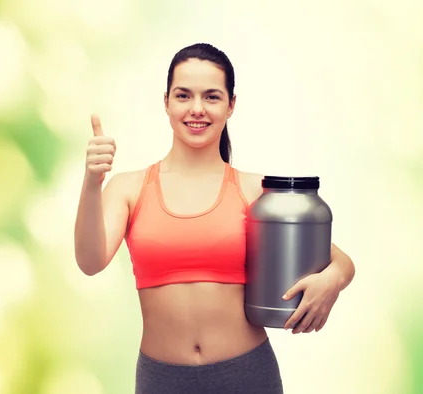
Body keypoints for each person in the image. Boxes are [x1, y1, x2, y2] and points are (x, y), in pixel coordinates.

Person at [74, 43, 355, 394]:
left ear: (231, 105)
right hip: (161, 380)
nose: (196, 109)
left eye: (211, 97)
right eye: (183, 95)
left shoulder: (254, 191)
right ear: (166, 102)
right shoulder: (128, 188)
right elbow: (89, 261)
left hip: (247, 375)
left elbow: (335, 258)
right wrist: (92, 181)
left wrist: (334, 280)